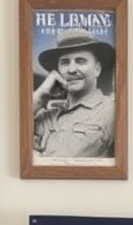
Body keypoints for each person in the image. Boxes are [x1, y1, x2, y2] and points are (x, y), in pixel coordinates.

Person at [32, 28, 115, 159]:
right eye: (65, 62)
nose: (71, 69)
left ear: (97, 69)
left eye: (80, 61)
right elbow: (7, 133)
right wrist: (41, 95)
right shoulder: (46, 115)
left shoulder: (112, 111)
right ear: (58, 71)